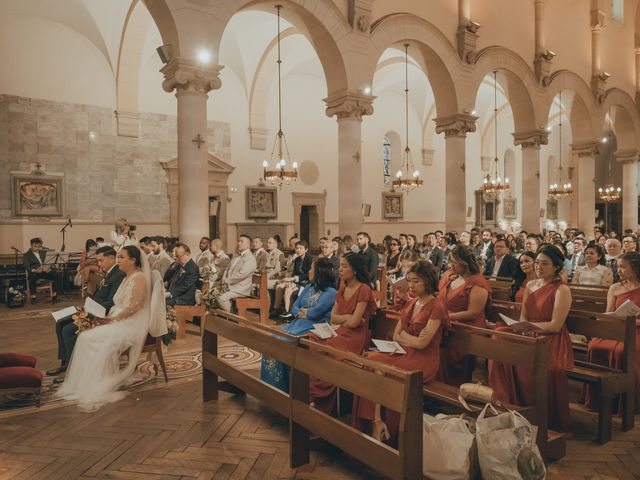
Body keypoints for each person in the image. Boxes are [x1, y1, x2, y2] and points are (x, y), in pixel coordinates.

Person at [353, 261, 448, 443]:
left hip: (424, 361)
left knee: (382, 367)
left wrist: (406, 336)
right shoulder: (412, 304)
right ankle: (377, 420)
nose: (411, 285)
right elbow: (396, 335)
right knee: (371, 360)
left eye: (416, 281)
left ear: (428, 281)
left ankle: (384, 425)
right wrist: (409, 338)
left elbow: (422, 344)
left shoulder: (437, 306)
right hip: (406, 352)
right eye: (410, 281)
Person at [57, 246, 154, 412]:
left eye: (121, 257)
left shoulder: (139, 278)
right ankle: (86, 380)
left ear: (132, 260)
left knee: (90, 338)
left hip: (131, 323)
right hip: (119, 318)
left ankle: (98, 381)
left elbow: (134, 307)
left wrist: (110, 319)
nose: (118, 261)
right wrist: (105, 319)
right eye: (117, 257)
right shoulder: (126, 277)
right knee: (85, 336)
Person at [489, 245, 574, 433]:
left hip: (551, 339)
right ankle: (511, 404)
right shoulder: (530, 285)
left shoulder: (561, 289)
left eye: (545, 264)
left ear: (556, 266)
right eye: (537, 263)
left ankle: (538, 414)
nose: (539, 267)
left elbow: (555, 325)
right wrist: (522, 328)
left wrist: (530, 329)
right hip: (529, 332)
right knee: (499, 336)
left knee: (537, 366)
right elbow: (523, 317)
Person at [308, 253, 377, 414]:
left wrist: (347, 320)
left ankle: (320, 398)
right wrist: (347, 317)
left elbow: (355, 324)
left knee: (329, 347)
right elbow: (333, 317)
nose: (340, 269)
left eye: (345, 266)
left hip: (356, 338)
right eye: (340, 265)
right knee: (311, 338)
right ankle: (316, 390)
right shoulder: (342, 287)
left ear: (354, 270)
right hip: (341, 332)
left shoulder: (364, 289)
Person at [48, 246, 126, 378]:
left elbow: (112, 301)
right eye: (98, 261)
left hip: (101, 314)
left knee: (68, 330)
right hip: (92, 309)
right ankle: (66, 362)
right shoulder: (110, 273)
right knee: (60, 324)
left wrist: (91, 311)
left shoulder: (118, 274)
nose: (99, 264)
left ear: (112, 258)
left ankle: (73, 368)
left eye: (101, 260)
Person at [260, 259, 337, 392]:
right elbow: (294, 306)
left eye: (312, 268)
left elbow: (316, 313)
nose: (309, 271)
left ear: (320, 272)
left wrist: (305, 312)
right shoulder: (308, 287)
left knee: (284, 344)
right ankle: (270, 388)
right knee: (272, 339)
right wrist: (301, 312)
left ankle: (284, 388)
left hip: (314, 328)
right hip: (297, 323)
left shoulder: (330, 292)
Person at [584, 252, 640, 414]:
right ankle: (600, 398)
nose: (618, 270)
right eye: (617, 266)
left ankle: (627, 399)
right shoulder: (615, 288)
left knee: (623, 350)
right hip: (616, 327)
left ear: (635, 268)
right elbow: (609, 312)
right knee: (594, 345)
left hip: (635, 329)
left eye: (623, 267)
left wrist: (631, 321)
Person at [436, 245, 490, 387]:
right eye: (450, 261)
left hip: (467, 327)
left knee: (436, 340)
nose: (450, 265)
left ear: (465, 263)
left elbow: (473, 312)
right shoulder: (450, 277)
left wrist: (446, 317)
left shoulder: (477, 282)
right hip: (447, 322)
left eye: (454, 262)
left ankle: (449, 388)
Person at [214, 235, 257, 312]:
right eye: (238, 241)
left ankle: (233, 316)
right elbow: (227, 269)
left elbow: (241, 275)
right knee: (211, 293)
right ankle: (220, 317)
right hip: (230, 285)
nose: (238, 243)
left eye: (241, 241)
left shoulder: (250, 259)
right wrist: (223, 279)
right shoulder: (236, 256)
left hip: (240, 288)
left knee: (221, 298)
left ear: (248, 245)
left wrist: (226, 281)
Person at [22, 237, 62, 303]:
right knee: (32, 276)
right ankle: (33, 297)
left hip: (44, 271)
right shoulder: (26, 255)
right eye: (35, 246)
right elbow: (26, 266)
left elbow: (48, 262)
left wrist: (48, 267)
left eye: (39, 246)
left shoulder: (43, 252)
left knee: (57, 275)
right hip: (35, 272)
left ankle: (55, 295)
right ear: (31, 245)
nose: (37, 248)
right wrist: (35, 270)